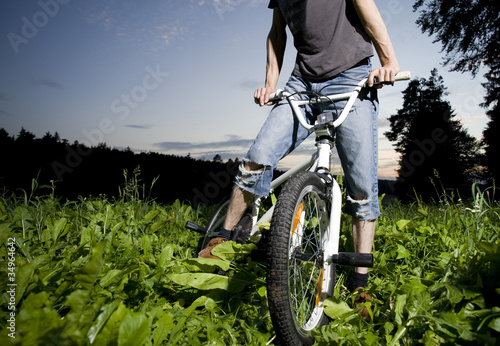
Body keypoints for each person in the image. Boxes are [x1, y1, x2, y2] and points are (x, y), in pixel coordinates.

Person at [199, 0, 399, 316]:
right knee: (257, 160)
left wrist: (388, 60)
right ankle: (223, 241)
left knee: (361, 188)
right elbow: (276, 33)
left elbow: (366, 7)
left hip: (352, 77)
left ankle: (361, 285)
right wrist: (270, 83)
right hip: (301, 84)